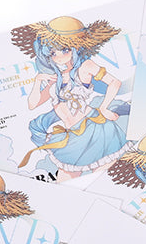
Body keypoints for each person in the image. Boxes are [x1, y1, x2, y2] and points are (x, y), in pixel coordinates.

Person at [10, 15, 130, 180]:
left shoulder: (85, 67)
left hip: (94, 129)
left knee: (100, 177)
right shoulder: (55, 78)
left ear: (76, 48)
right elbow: (32, 104)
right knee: (65, 179)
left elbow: (114, 82)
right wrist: (37, 82)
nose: (59, 56)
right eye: (53, 52)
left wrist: (104, 108)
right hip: (72, 135)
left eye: (65, 50)